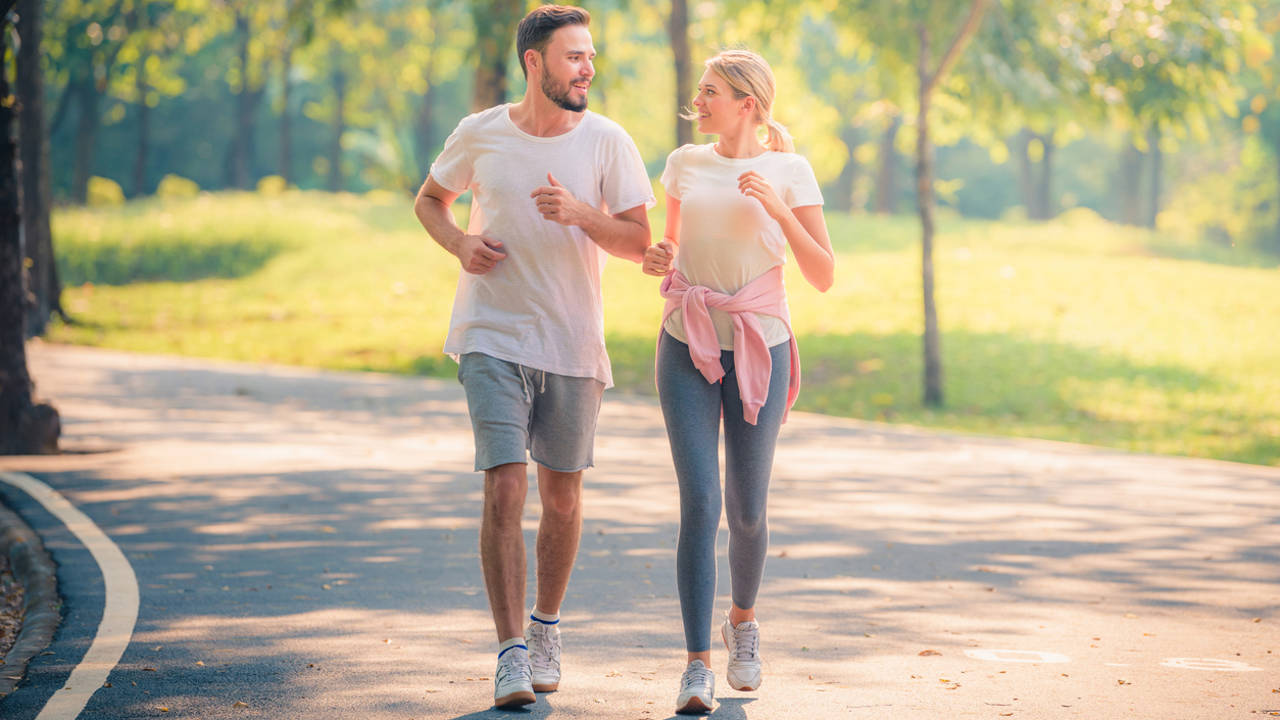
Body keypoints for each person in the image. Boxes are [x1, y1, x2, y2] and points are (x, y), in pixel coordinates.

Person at [413, 4, 653, 710]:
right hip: (492, 335)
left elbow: (641, 244)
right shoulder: (480, 133)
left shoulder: (608, 142)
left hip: (573, 342)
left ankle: (547, 628)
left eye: (590, 56)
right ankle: (511, 650)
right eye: (574, 56)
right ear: (534, 62)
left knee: (563, 497)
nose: (588, 68)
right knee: (505, 486)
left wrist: (582, 215)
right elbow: (430, 199)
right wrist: (460, 244)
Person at [641, 49, 834, 714]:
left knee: (747, 509)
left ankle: (743, 625)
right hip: (686, 341)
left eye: (712, 91)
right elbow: (664, 252)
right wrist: (658, 257)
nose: (700, 100)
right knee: (701, 503)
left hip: (762, 345)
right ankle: (696, 664)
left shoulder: (790, 170)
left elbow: (823, 273)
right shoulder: (684, 164)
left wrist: (780, 211)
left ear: (747, 103)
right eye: (701, 90)